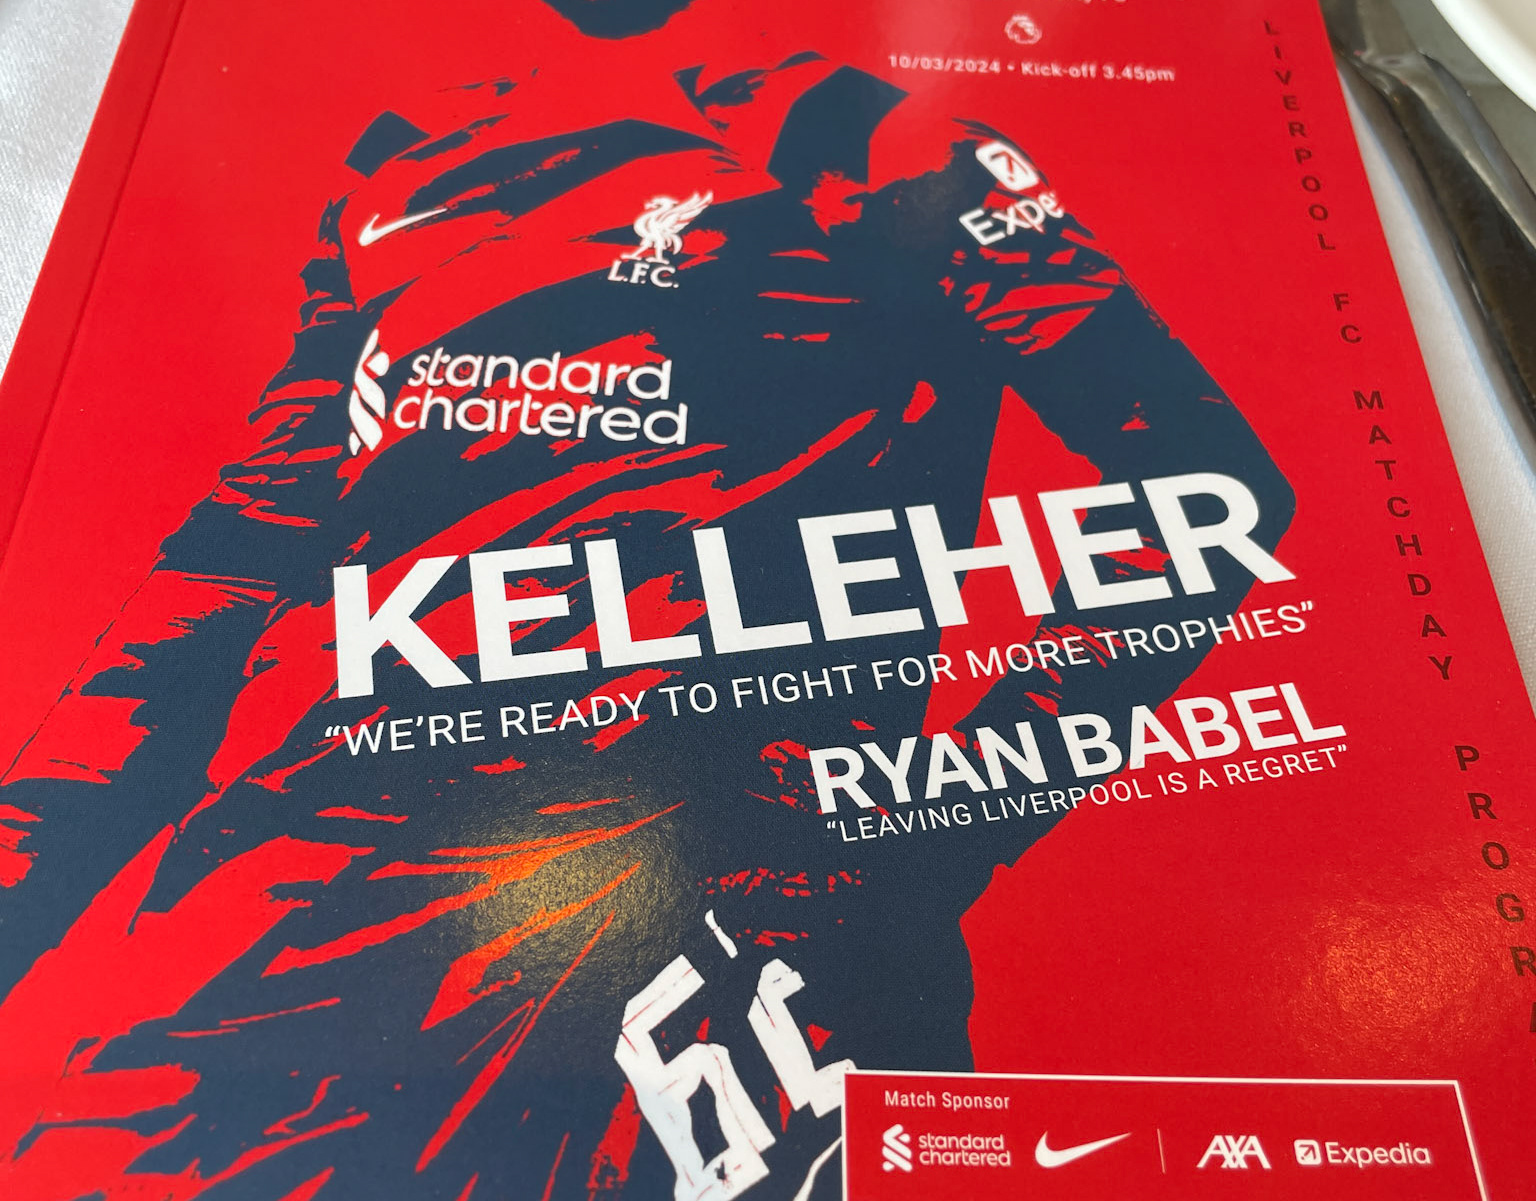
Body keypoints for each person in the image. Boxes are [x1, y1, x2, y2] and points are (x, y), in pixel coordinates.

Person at [0, 1, 1291, 1196]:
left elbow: (1204, 481)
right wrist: (25, 854)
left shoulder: (871, 139)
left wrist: (925, 825)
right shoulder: (403, 157)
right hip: (324, 889)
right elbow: (243, 554)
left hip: (708, 924)